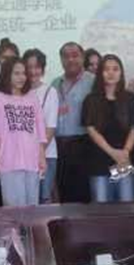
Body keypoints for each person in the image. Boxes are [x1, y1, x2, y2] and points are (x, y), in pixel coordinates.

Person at [0, 57, 48, 206]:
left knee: (32, 207)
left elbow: (40, 131)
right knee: (13, 209)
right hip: (8, 160)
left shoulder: (32, 98)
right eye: (16, 73)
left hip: (31, 160)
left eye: (23, 73)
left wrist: (42, 157)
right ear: (6, 74)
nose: (21, 77)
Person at [83, 54, 134, 202]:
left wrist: (125, 152)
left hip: (124, 161)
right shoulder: (91, 99)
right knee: (101, 207)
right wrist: (112, 152)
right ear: (100, 73)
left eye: (115, 69)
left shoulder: (130, 98)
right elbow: (91, 129)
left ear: (121, 73)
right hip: (99, 162)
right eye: (106, 69)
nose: (111, 73)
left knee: (127, 205)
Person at [52, 42, 95, 203]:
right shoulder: (55, 83)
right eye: (66, 56)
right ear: (61, 60)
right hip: (60, 147)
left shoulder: (93, 82)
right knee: (65, 196)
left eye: (75, 55)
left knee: (85, 197)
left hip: (84, 144)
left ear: (83, 57)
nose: (71, 60)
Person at [24, 49, 59, 203]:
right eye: (29, 67)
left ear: (43, 69)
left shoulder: (50, 92)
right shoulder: (18, 92)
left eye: (37, 67)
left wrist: (39, 152)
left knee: (44, 198)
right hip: (23, 156)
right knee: (28, 200)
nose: (33, 71)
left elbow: (50, 127)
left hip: (46, 154)